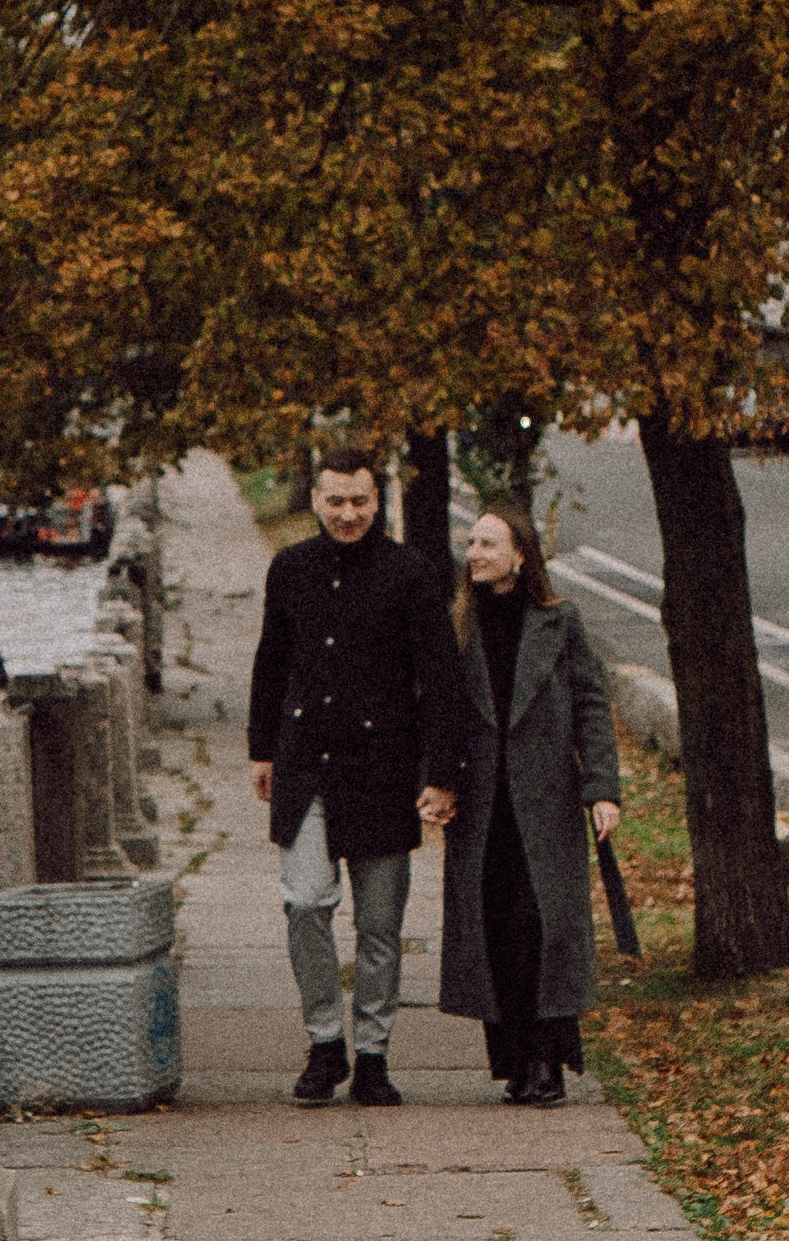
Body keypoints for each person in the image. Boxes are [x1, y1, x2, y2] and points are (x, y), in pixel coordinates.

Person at [247, 446, 463, 1106]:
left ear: (378, 500)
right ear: (315, 500)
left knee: (379, 926)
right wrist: (262, 750)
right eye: (336, 501)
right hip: (306, 766)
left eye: (360, 501)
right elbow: (271, 660)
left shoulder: (409, 573)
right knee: (306, 901)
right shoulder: (290, 569)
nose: (348, 514)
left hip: (384, 770)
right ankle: (324, 1044)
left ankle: (372, 1053)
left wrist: (441, 771)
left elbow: (442, 678)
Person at [438, 501, 622, 1108]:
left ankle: (548, 1058)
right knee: (493, 926)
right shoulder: (458, 625)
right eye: (471, 544)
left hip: (546, 802)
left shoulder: (558, 622)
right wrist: (434, 781)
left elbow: (591, 703)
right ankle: (513, 1060)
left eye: (487, 544)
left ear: (521, 555)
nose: (474, 554)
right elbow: (435, 710)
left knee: (544, 926)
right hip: (481, 807)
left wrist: (602, 788)